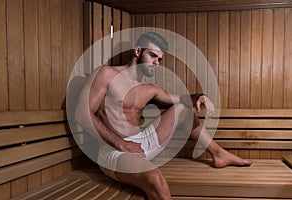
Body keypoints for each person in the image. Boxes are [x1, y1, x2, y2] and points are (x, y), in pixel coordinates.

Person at [75, 32, 252, 200]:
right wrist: (119, 143)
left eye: (159, 59)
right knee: (155, 180)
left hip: (141, 143)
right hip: (114, 151)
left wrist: (199, 96)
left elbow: (182, 99)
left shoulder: (150, 89)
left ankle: (219, 154)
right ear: (138, 51)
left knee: (183, 109)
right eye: (152, 55)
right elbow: (82, 114)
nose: (156, 62)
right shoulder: (106, 74)